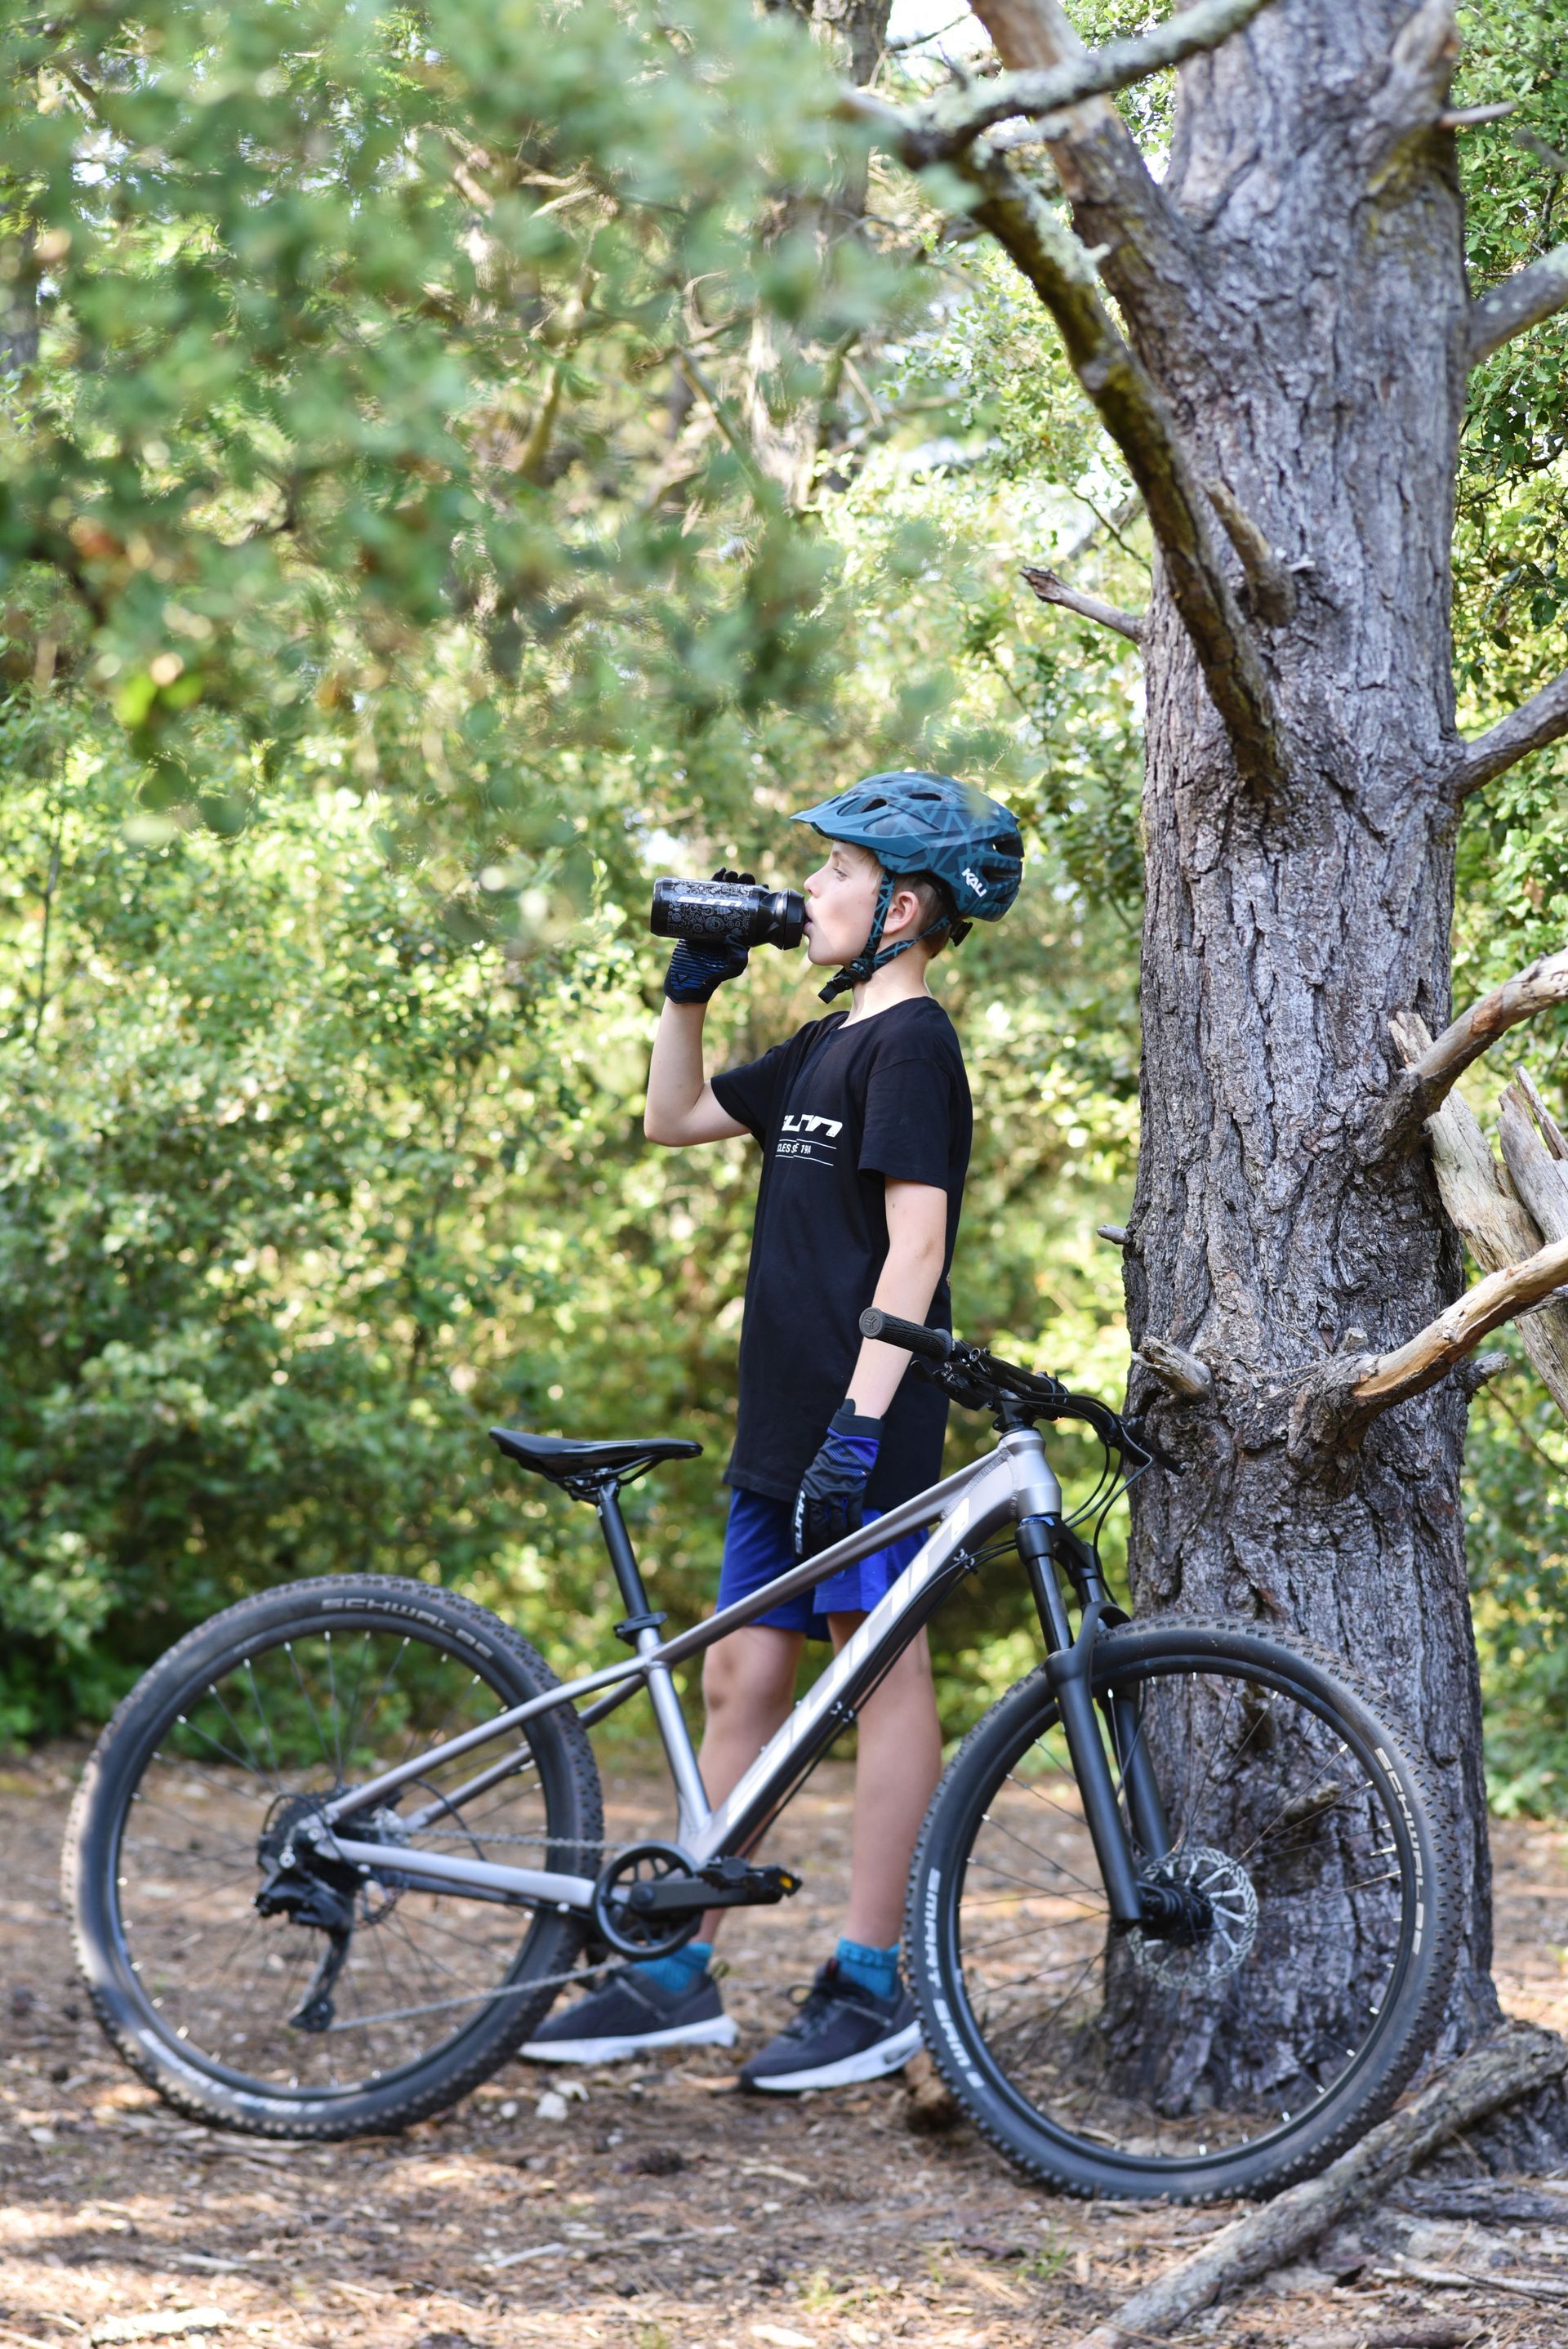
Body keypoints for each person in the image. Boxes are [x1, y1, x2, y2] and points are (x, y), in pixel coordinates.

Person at [523, 771, 1023, 2091]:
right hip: (783, 1425)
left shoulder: (914, 1045)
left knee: (878, 1679)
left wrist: (861, 1430)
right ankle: (677, 1965)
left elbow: (917, 1246)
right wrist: (687, 993)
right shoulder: (823, 1044)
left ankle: (873, 1978)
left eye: (841, 874)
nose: (813, 892)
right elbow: (671, 1118)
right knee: (740, 1680)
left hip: (865, 1427)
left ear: (904, 905)